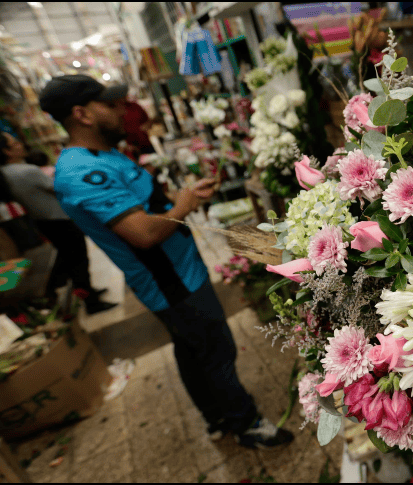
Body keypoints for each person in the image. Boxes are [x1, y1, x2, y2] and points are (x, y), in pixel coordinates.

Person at [39, 74, 293, 449]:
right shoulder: (80, 173)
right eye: (109, 105)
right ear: (82, 114)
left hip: (181, 272)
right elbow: (142, 232)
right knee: (216, 350)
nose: (121, 110)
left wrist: (184, 195)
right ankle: (248, 425)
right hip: (173, 284)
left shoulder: (105, 154)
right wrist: (184, 206)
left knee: (192, 348)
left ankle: (216, 417)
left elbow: (145, 204)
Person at [0, 132, 116, 312]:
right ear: (6, 151)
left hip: (44, 221)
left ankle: (87, 293)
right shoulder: (26, 171)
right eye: (14, 143)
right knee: (78, 261)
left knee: (71, 260)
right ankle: (91, 301)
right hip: (58, 219)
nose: (19, 145)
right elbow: (59, 188)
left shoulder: (6, 174)